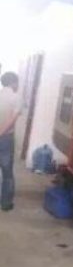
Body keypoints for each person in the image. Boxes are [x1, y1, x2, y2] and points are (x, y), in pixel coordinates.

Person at [0, 72, 21, 211]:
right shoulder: (16, 97)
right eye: (17, 82)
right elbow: (12, 119)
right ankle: (6, 203)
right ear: (13, 83)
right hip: (6, 139)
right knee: (7, 172)